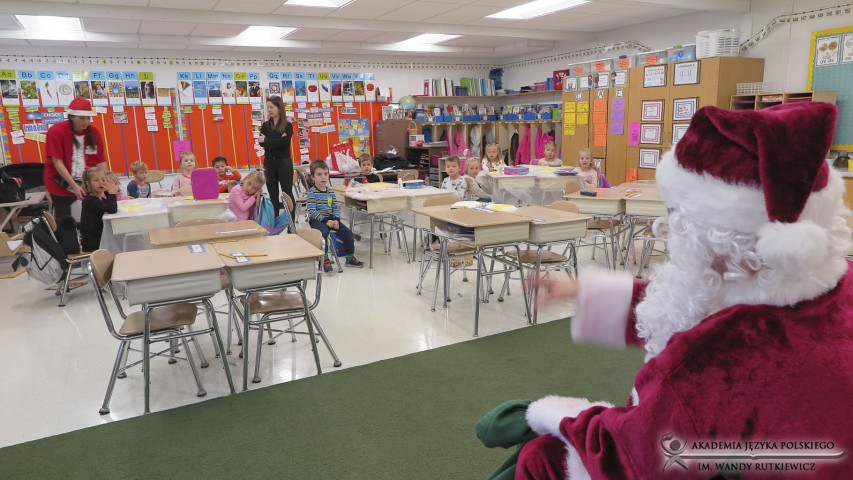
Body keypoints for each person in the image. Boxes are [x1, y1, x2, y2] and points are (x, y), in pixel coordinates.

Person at [484, 102, 853, 479]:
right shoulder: (832, 283)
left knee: (541, 458)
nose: (674, 228)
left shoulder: (719, 354)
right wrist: (589, 293)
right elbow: (692, 302)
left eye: (680, 215)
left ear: (718, 234)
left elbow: (636, 456)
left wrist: (551, 416)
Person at [44, 97, 107, 229]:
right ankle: (67, 240)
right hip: (60, 182)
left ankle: (89, 237)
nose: (85, 122)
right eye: (81, 118)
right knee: (64, 220)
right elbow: (58, 162)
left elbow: (101, 161)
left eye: (88, 118)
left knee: (93, 215)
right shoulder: (57, 131)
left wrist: (106, 182)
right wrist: (74, 186)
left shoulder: (93, 133)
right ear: (71, 117)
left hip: (87, 181)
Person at [307, 160, 364, 272]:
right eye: (319, 174)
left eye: (326, 174)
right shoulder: (312, 193)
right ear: (313, 177)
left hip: (331, 219)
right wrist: (326, 221)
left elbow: (334, 208)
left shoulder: (330, 192)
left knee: (348, 233)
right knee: (324, 233)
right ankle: (325, 258)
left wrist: (336, 220)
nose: (323, 177)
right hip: (317, 220)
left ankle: (350, 258)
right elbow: (312, 211)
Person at [259, 95, 294, 217]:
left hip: (284, 163)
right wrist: (277, 139)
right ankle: (274, 223)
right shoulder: (265, 125)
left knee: (287, 194)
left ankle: (291, 224)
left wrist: (267, 140)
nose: (269, 110)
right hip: (269, 164)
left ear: (279, 108)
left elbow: (285, 143)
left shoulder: (287, 125)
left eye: (271, 107)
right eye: (268, 107)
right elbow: (261, 142)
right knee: (273, 195)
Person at [79, 167, 118, 252]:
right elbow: (112, 209)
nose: (101, 182)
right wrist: (111, 191)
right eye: (96, 180)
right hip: (94, 243)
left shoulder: (100, 199)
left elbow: (110, 205)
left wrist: (107, 191)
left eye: (103, 180)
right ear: (88, 183)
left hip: (100, 238)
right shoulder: (91, 200)